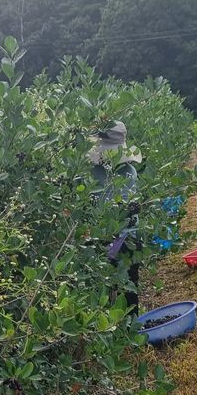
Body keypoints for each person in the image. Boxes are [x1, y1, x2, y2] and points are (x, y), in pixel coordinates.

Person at [88, 121, 143, 314]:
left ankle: (114, 328)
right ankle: (128, 327)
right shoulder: (130, 171)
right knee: (128, 286)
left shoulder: (89, 173)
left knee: (97, 290)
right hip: (125, 239)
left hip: (105, 238)